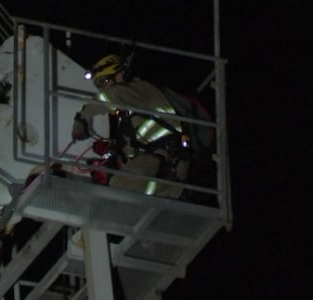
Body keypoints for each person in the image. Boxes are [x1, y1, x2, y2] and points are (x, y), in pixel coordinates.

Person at [72, 54, 212, 199]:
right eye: (100, 85)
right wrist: (112, 152)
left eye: (105, 81)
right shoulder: (132, 111)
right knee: (121, 184)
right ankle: (170, 192)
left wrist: (82, 119)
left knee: (120, 183)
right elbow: (132, 149)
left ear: (119, 74)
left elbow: (109, 97)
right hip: (161, 159)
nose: (104, 88)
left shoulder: (137, 89)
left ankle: (174, 191)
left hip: (165, 156)